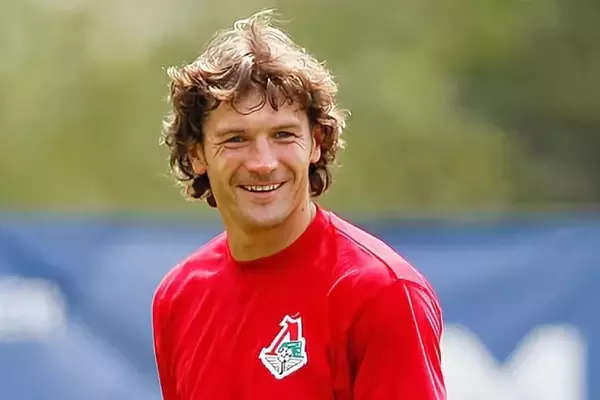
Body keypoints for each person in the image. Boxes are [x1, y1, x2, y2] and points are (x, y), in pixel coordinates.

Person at [152, 9, 446, 400]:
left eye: (283, 135)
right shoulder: (179, 298)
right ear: (196, 155)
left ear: (316, 143)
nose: (263, 163)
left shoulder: (383, 294)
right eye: (236, 139)